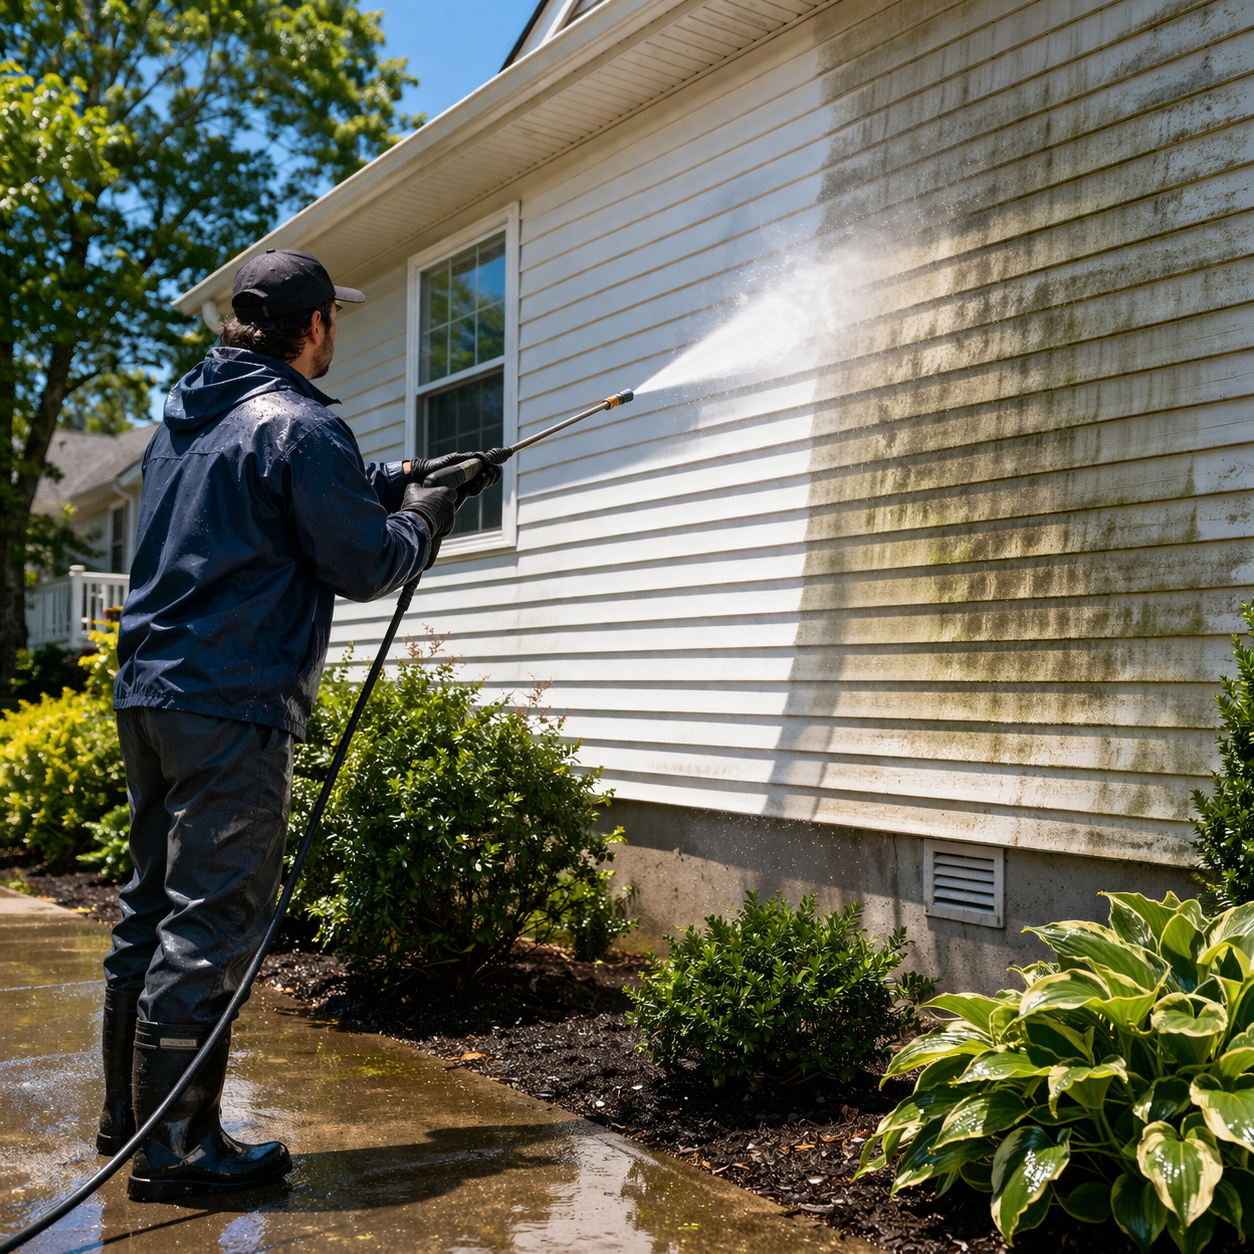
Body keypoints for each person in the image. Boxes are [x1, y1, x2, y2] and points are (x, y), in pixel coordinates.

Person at [98, 248, 501, 1202]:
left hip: (152, 696)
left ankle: (131, 1123)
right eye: (336, 321)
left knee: (147, 914)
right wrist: (430, 517)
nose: (337, 336)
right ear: (313, 325)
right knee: (209, 926)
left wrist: (399, 473)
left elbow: (283, 489)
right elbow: (363, 565)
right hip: (232, 705)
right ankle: (182, 1154)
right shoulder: (303, 422)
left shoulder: (190, 416)